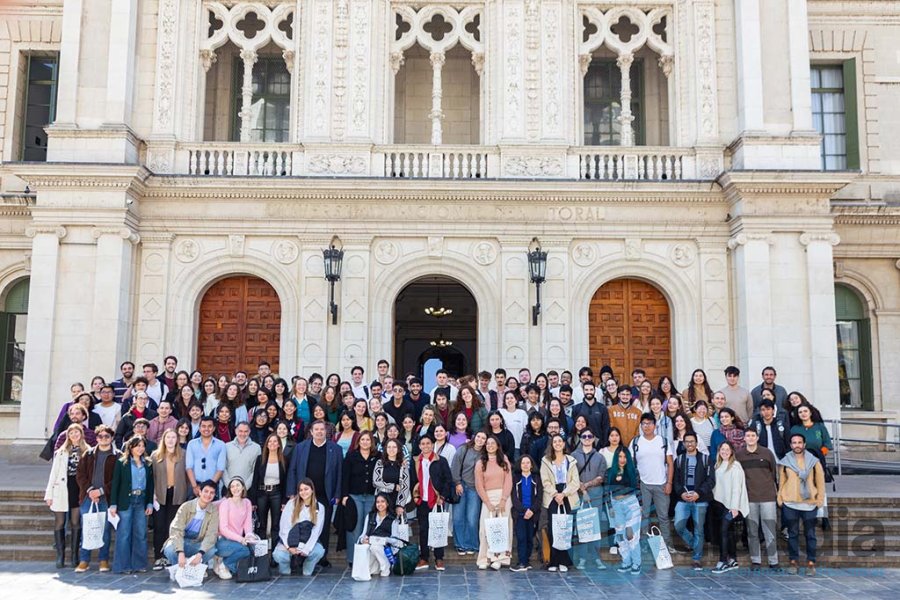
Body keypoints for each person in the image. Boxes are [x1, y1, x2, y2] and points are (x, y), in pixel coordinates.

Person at [286, 420, 342, 567]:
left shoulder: (335, 449)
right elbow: (292, 470)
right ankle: (299, 555)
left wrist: (337, 494)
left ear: (326, 432)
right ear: (311, 432)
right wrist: (292, 492)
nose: (319, 432)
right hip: (303, 494)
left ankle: (321, 557)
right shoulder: (300, 448)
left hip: (325, 494)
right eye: (316, 429)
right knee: (300, 524)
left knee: (322, 527)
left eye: (322, 429)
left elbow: (339, 473)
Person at [778, 433, 825, 576]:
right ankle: (793, 561)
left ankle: (811, 562)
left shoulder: (814, 461)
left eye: (799, 442)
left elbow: (820, 482)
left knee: (810, 534)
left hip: (809, 503)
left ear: (804, 444)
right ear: (791, 445)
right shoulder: (785, 461)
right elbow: (781, 481)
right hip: (790, 503)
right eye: (794, 442)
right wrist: (780, 497)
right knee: (792, 534)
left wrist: (819, 500)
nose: (797, 445)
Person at [74, 425, 119, 573]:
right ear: (97, 438)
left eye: (107, 436)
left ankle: (103, 560)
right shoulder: (88, 454)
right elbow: (80, 475)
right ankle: (84, 560)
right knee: (87, 528)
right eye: (101, 436)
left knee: (105, 530)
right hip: (88, 497)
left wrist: (100, 491)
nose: (104, 439)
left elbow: (117, 480)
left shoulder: (117, 456)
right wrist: (90, 491)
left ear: (111, 438)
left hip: (106, 497)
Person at [108, 436, 154, 574]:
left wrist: (150, 503)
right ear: (130, 447)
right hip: (126, 501)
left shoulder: (148, 463)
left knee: (141, 533)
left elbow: (151, 485)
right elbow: (115, 484)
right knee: (124, 534)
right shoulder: (122, 462)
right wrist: (113, 504)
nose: (140, 449)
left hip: (141, 500)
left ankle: (139, 564)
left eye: (142, 446)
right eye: (137, 446)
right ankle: (122, 566)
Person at [45, 423, 89, 568]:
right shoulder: (61, 451)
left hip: (78, 488)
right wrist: (49, 494)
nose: (74, 435)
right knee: (59, 521)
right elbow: (53, 474)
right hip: (61, 488)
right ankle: (60, 555)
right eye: (71, 433)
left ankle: (75, 556)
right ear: (68, 436)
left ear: (81, 434)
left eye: (77, 433)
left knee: (75, 522)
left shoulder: (87, 451)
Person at [736, 427, 780, 570]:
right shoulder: (739, 455)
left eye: (752, 435)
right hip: (749, 499)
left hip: (768, 497)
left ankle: (774, 561)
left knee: (770, 531)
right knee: (752, 531)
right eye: (747, 436)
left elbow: (774, 474)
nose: (750, 438)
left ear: (757, 438)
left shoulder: (767, 453)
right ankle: (756, 560)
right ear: (744, 438)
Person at [632, 413, 675, 551]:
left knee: (663, 516)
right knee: (644, 516)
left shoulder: (662, 441)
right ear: (641, 425)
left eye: (650, 423)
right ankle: (643, 544)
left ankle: (667, 545)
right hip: (643, 484)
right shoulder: (635, 442)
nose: (647, 426)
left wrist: (669, 483)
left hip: (661, 483)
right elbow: (631, 464)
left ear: (655, 425)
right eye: (644, 423)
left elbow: (670, 463)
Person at [673, 432, 715, 570]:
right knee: (678, 525)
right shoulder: (679, 460)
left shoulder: (705, 459)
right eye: (687, 442)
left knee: (699, 530)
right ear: (684, 444)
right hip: (683, 499)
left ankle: (697, 558)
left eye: (692, 441)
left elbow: (711, 480)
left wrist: (699, 493)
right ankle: (694, 544)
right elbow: (676, 481)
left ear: (697, 443)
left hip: (700, 500)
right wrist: (681, 493)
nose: (689, 444)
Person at [412, 435, 453, 571]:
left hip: (437, 500)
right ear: (419, 446)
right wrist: (415, 496)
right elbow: (413, 480)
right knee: (423, 530)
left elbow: (448, 480)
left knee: (438, 529)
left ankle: (439, 558)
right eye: (422, 444)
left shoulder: (440, 461)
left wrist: (442, 496)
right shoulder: (416, 461)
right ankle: (424, 558)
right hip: (422, 500)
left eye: (428, 443)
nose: (425, 446)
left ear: (432, 444)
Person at [150, 428, 189, 570]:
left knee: (172, 527)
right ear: (163, 440)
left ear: (177, 439)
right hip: (160, 494)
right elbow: (152, 477)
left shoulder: (183, 455)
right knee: (159, 526)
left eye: (174, 437)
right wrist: (153, 494)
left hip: (177, 494)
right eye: (168, 437)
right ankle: (158, 557)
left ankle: (169, 556)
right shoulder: (155, 455)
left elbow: (188, 476)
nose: (171, 440)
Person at [540, 434, 580, 572]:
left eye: (559, 441)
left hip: (567, 495)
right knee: (553, 529)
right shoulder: (546, 461)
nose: (557, 444)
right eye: (554, 441)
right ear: (551, 444)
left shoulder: (571, 460)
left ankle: (564, 561)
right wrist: (555, 494)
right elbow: (545, 481)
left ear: (564, 444)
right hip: (552, 496)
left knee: (566, 530)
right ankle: (553, 561)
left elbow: (576, 482)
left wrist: (564, 494)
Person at [162, 480, 221, 573]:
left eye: (212, 493)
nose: (208, 495)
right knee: (169, 550)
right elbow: (176, 529)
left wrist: (200, 554)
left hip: (197, 542)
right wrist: (180, 552)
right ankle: (178, 568)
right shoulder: (186, 506)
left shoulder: (213, 511)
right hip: (182, 540)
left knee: (211, 550)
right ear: (200, 492)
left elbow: (211, 534)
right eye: (206, 491)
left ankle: (196, 567)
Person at [474, 435, 513, 570]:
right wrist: (487, 502)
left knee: (504, 527)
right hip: (488, 497)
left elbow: (509, 480)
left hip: (504, 496)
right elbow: (479, 485)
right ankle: (484, 558)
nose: (490, 445)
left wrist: (503, 500)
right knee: (485, 528)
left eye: (493, 443)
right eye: (488, 443)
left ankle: (500, 558)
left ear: (497, 446)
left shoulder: (504, 460)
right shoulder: (480, 463)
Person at [571, 427, 608, 570]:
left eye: (589, 436)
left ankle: (596, 558)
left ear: (593, 438)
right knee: (581, 527)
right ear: (580, 438)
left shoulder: (599, 457)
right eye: (584, 436)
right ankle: (582, 558)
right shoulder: (573, 455)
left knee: (595, 526)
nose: (587, 438)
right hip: (579, 496)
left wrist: (586, 485)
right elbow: (572, 475)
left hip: (596, 495)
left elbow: (601, 476)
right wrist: (582, 488)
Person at [711, 441, 749, 574]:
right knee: (729, 532)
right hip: (720, 504)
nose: (725, 452)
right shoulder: (718, 465)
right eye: (722, 449)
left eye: (727, 449)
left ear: (732, 451)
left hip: (732, 506)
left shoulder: (735, 466)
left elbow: (736, 489)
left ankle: (723, 561)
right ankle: (733, 559)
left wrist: (734, 507)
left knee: (723, 531)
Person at [605, 446, 642, 575]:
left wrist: (641, 505)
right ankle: (626, 562)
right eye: (620, 456)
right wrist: (609, 507)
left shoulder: (633, 471)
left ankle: (636, 562)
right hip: (616, 504)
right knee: (620, 535)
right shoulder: (609, 472)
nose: (622, 459)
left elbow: (638, 488)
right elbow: (606, 491)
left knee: (631, 534)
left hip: (631, 503)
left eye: (625, 456)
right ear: (616, 457)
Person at [342, 431, 378, 558]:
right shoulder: (351, 456)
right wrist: (344, 495)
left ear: (371, 442)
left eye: (368, 440)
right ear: (358, 441)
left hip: (371, 497)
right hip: (354, 496)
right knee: (355, 528)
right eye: (362, 440)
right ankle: (353, 558)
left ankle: (368, 557)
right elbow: (345, 477)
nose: (365, 442)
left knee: (368, 528)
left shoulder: (377, 456)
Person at [451, 430, 486, 556]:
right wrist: (457, 483)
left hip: (475, 489)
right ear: (474, 437)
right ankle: (460, 544)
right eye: (478, 436)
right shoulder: (464, 449)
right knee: (458, 517)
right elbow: (455, 465)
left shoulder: (485, 454)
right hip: (461, 486)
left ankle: (472, 544)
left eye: (483, 438)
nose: (480, 439)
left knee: (472, 518)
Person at [213, 477, 255, 580]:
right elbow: (223, 529)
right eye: (232, 486)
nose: (235, 488)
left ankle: (230, 565)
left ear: (243, 488)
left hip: (239, 541)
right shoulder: (225, 503)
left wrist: (249, 536)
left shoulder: (247, 502)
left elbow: (247, 524)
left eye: (237, 485)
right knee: (245, 551)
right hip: (224, 541)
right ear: (230, 490)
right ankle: (224, 564)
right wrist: (241, 539)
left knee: (254, 549)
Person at [250, 433, 288, 542]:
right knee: (262, 524)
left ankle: (274, 555)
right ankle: (262, 553)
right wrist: (253, 501)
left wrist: (284, 500)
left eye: (275, 441)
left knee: (276, 524)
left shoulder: (284, 460)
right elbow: (255, 479)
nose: (272, 443)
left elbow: (285, 481)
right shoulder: (260, 459)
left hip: (277, 493)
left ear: (279, 445)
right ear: (266, 444)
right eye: (270, 441)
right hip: (262, 493)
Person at [510, 454, 541, 572]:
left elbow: (539, 497)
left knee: (529, 538)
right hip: (520, 514)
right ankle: (522, 562)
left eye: (528, 463)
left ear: (532, 465)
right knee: (521, 538)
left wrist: (532, 510)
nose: (525, 465)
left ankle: (526, 561)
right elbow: (514, 497)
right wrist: (524, 510)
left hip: (533, 514)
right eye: (523, 463)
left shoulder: (536, 478)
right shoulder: (516, 478)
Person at [185, 416, 227, 499]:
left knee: (211, 511)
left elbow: (221, 468)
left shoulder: (221, 445)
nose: (206, 429)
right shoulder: (192, 444)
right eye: (203, 426)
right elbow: (189, 467)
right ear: (199, 428)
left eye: (209, 426)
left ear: (214, 428)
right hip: (195, 486)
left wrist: (209, 487)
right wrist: (194, 486)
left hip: (212, 486)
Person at [359, 493, 398, 577]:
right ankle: (377, 567)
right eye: (378, 502)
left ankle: (385, 567)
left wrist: (384, 540)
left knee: (375, 546)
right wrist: (363, 540)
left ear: (387, 503)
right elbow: (362, 535)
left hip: (385, 548)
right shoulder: (370, 516)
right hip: (370, 547)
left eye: (383, 501)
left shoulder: (392, 519)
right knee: (370, 571)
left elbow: (395, 540)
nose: (380, 504)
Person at [373, 438, 411, 513]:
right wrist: (393, 486)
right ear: (385, 449)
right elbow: (376, 481)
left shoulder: (402, 465)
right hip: (382, 501)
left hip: (397, 500)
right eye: (389, 447)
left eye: (394, 447)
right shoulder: (380, 463)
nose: (391, 449)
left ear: (398, 449)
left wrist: (400, 505)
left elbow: (405, 486)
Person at [572, 381, 610, 447]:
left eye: (591, 389)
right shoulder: (576, 408)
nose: (589, 392)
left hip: (599, 445)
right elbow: (574, 429)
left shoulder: (602, 408)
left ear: (595, 391)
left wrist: (604, 444)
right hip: (580, 445)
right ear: (583, 391)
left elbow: (606, 428)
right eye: (586, 390)